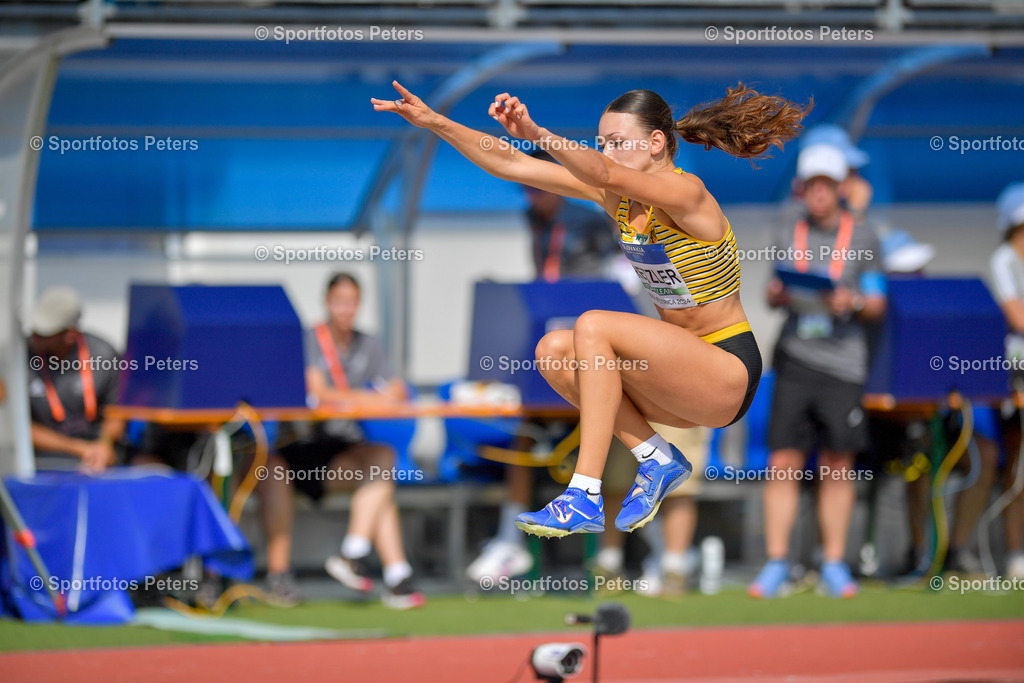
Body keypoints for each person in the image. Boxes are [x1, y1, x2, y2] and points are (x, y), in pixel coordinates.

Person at [373, 81, 806, 537]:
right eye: (604, 144)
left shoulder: (687, 193)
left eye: (618, 143)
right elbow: (510, 163)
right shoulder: (617, 199)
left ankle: (583, 493)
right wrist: (435, 122)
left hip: (725, 370)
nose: (609, 152)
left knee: (593, 325)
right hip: (674, 376)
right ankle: (656, 456)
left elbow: (600, 172)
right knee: (553, 351)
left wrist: (537, 132)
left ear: (656, 143)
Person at [467, 150, 620, 584]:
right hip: (548, 347)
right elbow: (542, 281)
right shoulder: (531, 220)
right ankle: (508, 539)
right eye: (525, 188)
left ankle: (614, 554)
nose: (532, 196)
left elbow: (616, 273)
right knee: (523, 437)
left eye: (538, 186)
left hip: (588, 342)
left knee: (610, 440)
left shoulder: (588, 217)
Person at [749, 144, 887, 599]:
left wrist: (856, 302)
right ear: (802, 189)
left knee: (838, 464)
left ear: (841, 187)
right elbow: (772, 291)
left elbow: (878, 302)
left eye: (828, 185)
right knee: (782, 461)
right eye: (813, 186)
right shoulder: (787, 225)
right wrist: (776, 293)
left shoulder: (865, 236)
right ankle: (775, 563)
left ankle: (832, 564)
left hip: (844, 365)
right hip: (794, 357)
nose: (820, 194)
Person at [282, 272, 426, 609]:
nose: (346, 309)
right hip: (309, 450)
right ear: (327, 302)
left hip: (347, 447)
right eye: (339, 302)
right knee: (380, 479)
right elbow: (318, 392)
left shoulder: (368, 343)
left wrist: (359, 398)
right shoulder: (311, 339)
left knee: (381, 464)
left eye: (352, 302)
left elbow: (397, 390)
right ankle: (395, 575)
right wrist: (367, 398)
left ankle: (360, 556)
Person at [27, 286, 126, 472]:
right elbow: (18, 425)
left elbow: (117, 412)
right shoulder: (22, 358)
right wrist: (79, 448)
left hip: (96, 458)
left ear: (70, 335)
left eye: (44, 333)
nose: (34, 337)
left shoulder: (103, 355)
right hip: (42, 461)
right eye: (34, 329)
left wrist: (104, 445)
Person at [986, 181, 1024, 578]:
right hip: (1017, 374)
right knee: (1017, 467)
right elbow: (1017, 318)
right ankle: (1016, 554)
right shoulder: (1004, 259)